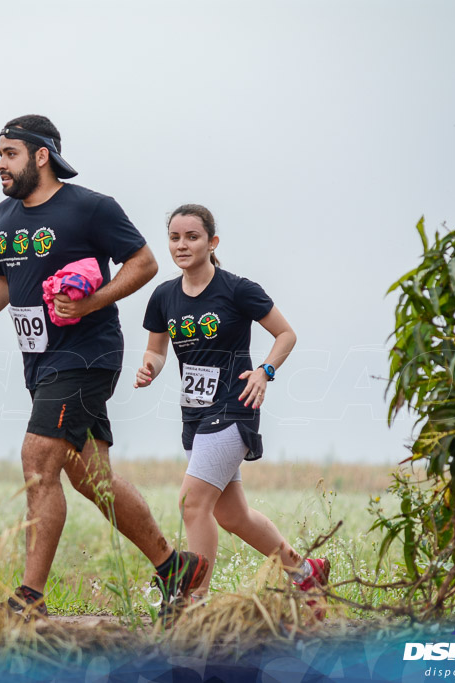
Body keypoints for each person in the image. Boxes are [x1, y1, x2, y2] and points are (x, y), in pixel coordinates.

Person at [0, 115, 208, 618]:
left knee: (37, 463)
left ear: (40, 155)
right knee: (93, 480)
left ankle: (30, 598)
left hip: (87, 355)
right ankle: (174, 566)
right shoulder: (3, 216)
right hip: (41, 362)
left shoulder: (90, 207)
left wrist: (91, 304)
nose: (1, 165)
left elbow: (144, 262)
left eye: (10, 154)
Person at [134, 203, 330, 610]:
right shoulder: (163, 296)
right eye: (175, 237)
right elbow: (156, 350)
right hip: (195, 412)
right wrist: (149, 369)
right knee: (233, 516)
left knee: (192, 503)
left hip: (234, 405)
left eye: (192, 237)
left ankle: (194, 599)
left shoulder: (237, 289)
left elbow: (286, 334)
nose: (182, 245)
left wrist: (265, 372)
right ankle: (305, 572)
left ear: (212, 242)